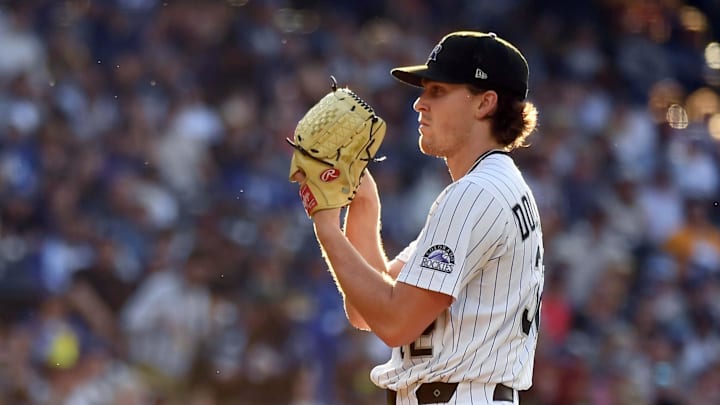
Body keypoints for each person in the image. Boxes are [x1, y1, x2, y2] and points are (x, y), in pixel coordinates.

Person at [296, 31, 544, 404]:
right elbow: (368, 312)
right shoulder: (493, 186)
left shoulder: (475, 194)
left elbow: (395, 323)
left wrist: (326, 228)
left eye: (438, 91)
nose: (419, 104)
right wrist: (364, 204)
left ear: (485, 103)